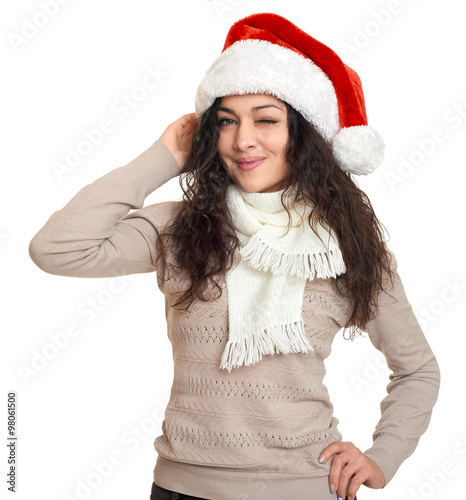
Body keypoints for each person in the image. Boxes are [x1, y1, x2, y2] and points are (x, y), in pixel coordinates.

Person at [28, 12, 440, 500]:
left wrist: (382, 455)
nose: (243, 140)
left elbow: (417, 370)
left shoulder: (345, 246)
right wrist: (161, 157)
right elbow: (56, 249)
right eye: (226, 122)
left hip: (306, 486)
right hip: (182, 487)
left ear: (304, 135)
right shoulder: (179, 229)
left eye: (266, 119)